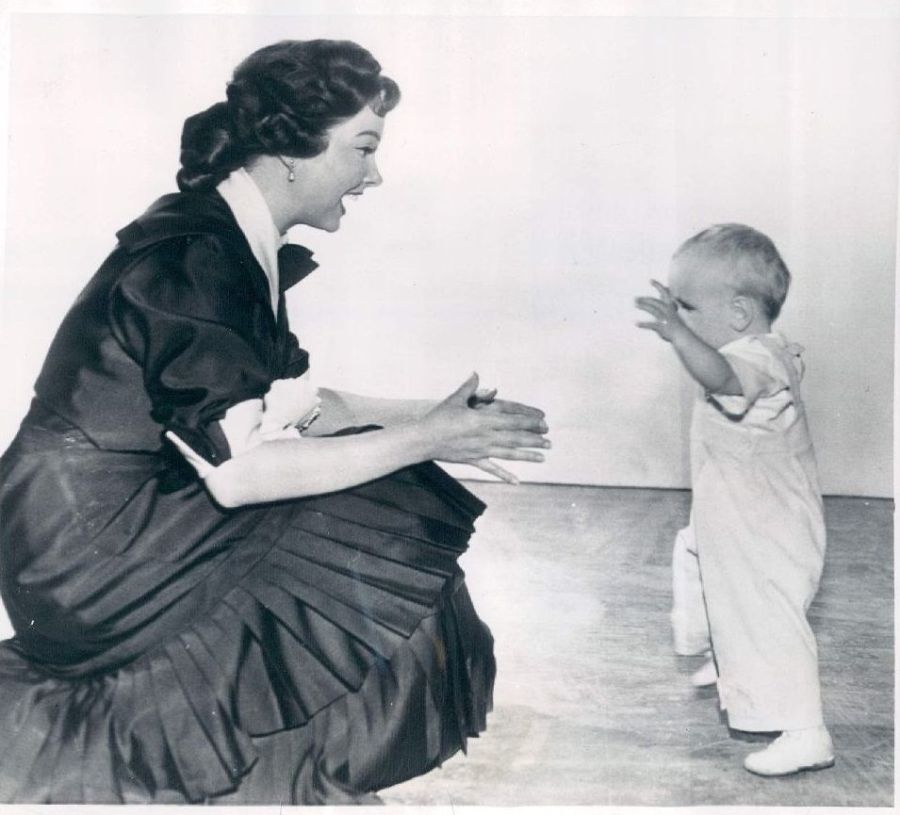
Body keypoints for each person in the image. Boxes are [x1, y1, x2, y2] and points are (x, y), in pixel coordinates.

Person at [0, 39, 550, 804]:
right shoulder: (199, 255)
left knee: (380, 475)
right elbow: (238, 474)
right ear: (291, 153)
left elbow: (299, 406)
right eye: (363, 148)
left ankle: (293, 769)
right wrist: (426, 438)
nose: (374, 175)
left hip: (106, 510)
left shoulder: (228, 234)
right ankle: (293, 771)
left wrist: (435, 418)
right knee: (383, 506)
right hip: (83, 538)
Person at [635, 224, 833, 777]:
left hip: (769, 525)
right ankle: (719, 653)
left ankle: (806, 733)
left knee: (767, 619)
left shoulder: (758, 357)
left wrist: (678, 334)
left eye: (687, 307)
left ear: (740, 313)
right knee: (695, 559)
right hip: (736, 511)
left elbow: (722, 377)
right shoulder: (756, 348)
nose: (677, 317)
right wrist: (685, 326)